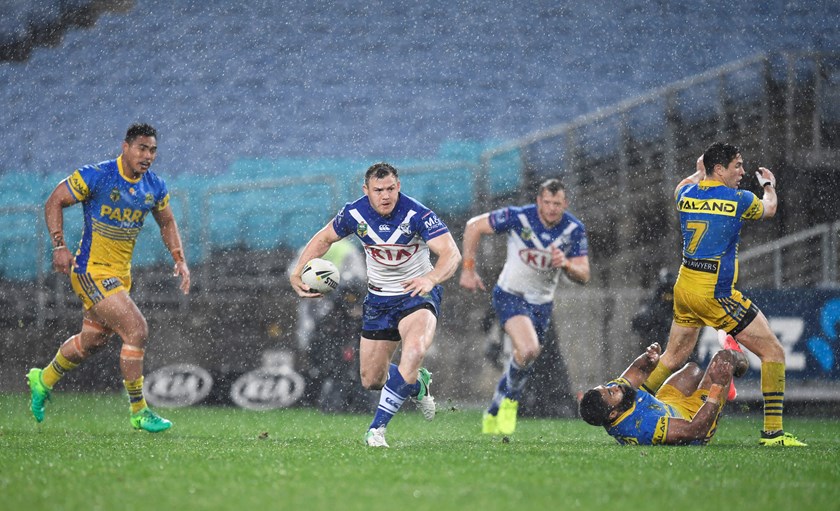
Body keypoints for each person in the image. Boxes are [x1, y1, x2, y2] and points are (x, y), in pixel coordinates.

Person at [27, 123, 190, 433]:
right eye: (142, 148)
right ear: (125, 147)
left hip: (120, 276)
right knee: (136, 330)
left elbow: (167, 222)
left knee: (92, 341)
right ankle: (139, 411)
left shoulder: (154, 187)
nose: (147, 155)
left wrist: (180, 260)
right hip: (90, 270)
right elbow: (54, 201)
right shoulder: (97, 175)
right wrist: (59, 245)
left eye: (153, 150)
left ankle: (43, 379)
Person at [641, 142, 806, 447]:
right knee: (774, 353)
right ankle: (773, 434)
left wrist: (699, 170)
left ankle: (630, 408)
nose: (742, 172)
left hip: (685, 288)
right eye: (737, 166)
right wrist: (768, 185)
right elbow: (770, 208)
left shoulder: (686, 196)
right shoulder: (738, 199)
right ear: (720, 169)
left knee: (673, 357)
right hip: (716, 294)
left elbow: (683, 183)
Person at [289, 162, 461, 447]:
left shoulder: (418, 215)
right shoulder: (354, 213)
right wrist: (298, 270)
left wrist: (431, 278)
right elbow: (324, 239)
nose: (386, 196)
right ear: (366, 190)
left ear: (399, 187)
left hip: (417, 295)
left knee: (415, 349)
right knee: (371, 379)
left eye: (391, 188)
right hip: (379, 301)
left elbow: (450, 254)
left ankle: (376, 430)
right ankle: (417, 383)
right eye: (379, 190)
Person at [459, 178, 590, 435]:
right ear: (539, 201)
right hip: (510, 294)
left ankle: (497, 404)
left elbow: (584, 275)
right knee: (529, 348)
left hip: (541, 303)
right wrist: (468, 269)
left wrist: (566, 264)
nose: (552, 209)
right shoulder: (519, 217)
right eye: (548, 203)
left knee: (526, 356)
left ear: (566, 204)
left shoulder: (573, 229)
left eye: (557, 204)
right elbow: (473, 226)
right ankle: (511, 402)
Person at [579, 338, 748, 445]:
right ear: (613, 414)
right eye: (610, 392)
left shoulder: (617, 398)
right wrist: (718, 387)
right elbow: (695, 430)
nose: (613, 387)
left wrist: (648, 360)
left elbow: (637, 371)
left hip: (666, 406)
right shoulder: (642, 427)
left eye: (607, 387)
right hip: (693, 418)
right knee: (723, 358)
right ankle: (734, 371)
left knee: (692, 369)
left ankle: (725, 382)